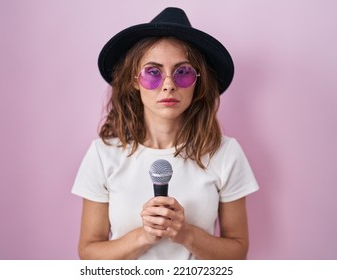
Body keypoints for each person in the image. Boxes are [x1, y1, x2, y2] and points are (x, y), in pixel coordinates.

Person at [72, 7, 259, 260]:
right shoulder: (103, 155)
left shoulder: (225, 154)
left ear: (197, 82)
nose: (169, 84)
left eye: (183, 72)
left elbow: (237, 253)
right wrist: (145, 235)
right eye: (153, 72)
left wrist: (184, 234)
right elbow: (89, 253)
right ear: (134, 80)